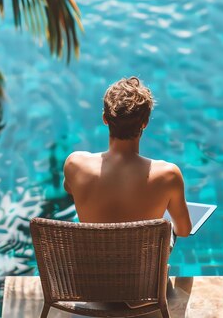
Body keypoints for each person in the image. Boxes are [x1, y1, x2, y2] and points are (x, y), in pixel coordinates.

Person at [63, 76, 192, 239]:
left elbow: (69, 189)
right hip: (143, 264)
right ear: (145, 123)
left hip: (90, 263)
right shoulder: (168, 175)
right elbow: (184, 231)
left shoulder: (75, 164)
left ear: (105, 119)